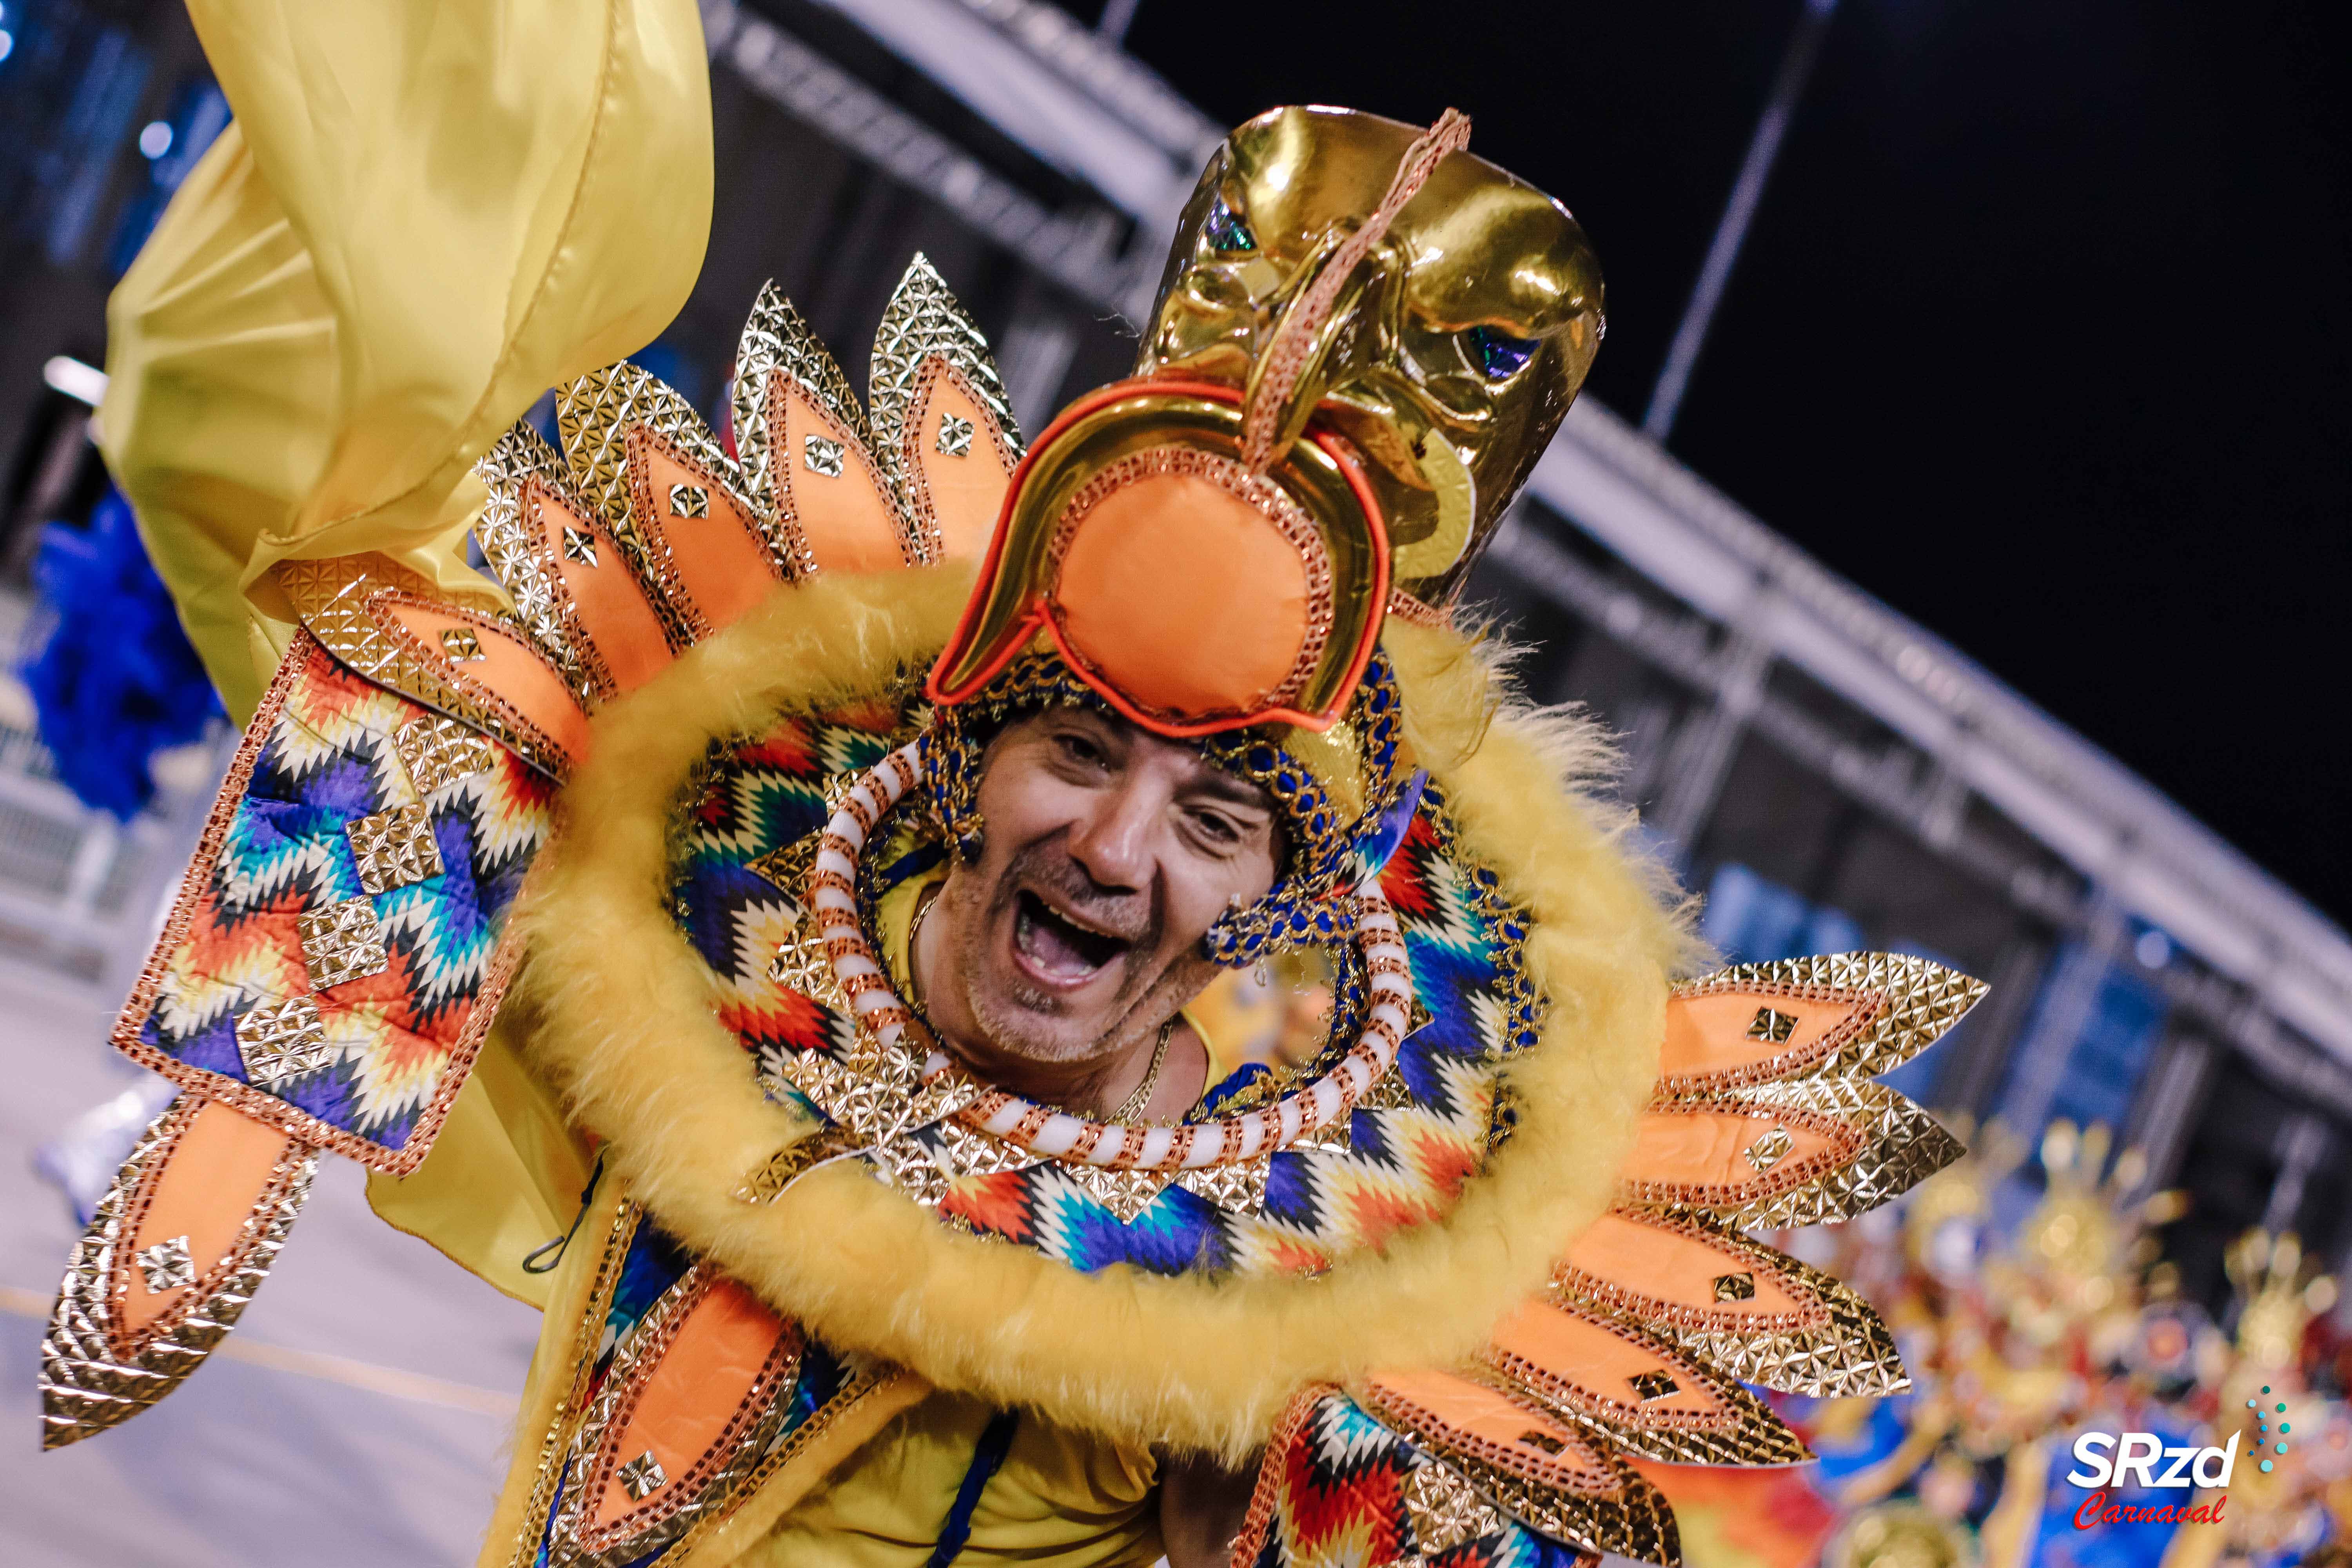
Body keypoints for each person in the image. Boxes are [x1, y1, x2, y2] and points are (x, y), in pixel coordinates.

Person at [36, 5, 1985, 1564]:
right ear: (968, 754)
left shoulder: (1296, 1317)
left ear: (1283, 900)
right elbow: (372, 592)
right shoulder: (697, 971)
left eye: (1217, 813)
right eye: (1078, 747)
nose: (1116, 850)